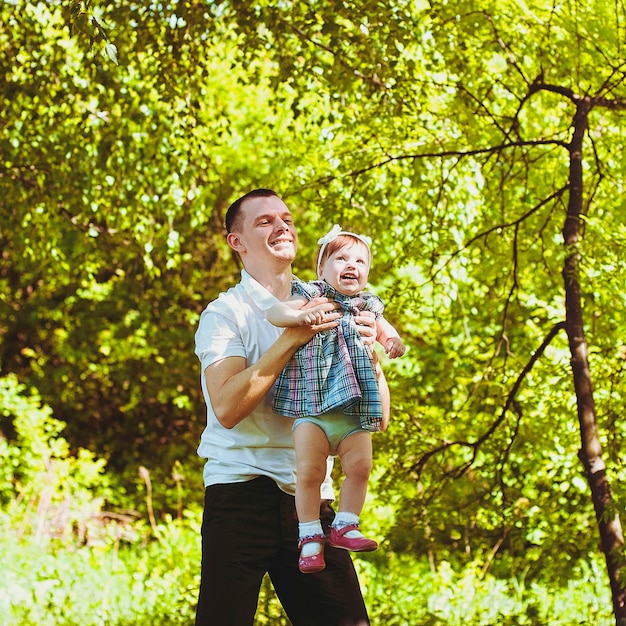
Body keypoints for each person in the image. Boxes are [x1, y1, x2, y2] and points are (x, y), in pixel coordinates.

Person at [194, 189, 387, 626]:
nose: (282, 226)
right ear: (236, 242)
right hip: (239, 494)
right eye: (264, 221)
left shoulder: (335, 303)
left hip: (311, 504)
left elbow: (376, 418)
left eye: (286, 218)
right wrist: (290, 339)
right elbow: (226, 407)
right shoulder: (226, 314)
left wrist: (372, 354)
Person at [267, 224, 405, 574]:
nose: (351, 265)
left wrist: (391, 343)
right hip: (313, 406)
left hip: (354, 409)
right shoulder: (312, 294)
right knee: (311, 473)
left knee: (361, 467)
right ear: (322, 268)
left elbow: (387, 330)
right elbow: (275, 313)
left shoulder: (367, 305)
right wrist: (300, 316)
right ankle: (310, 536)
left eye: (360, 260)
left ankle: (345, 524)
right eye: (341, 258)